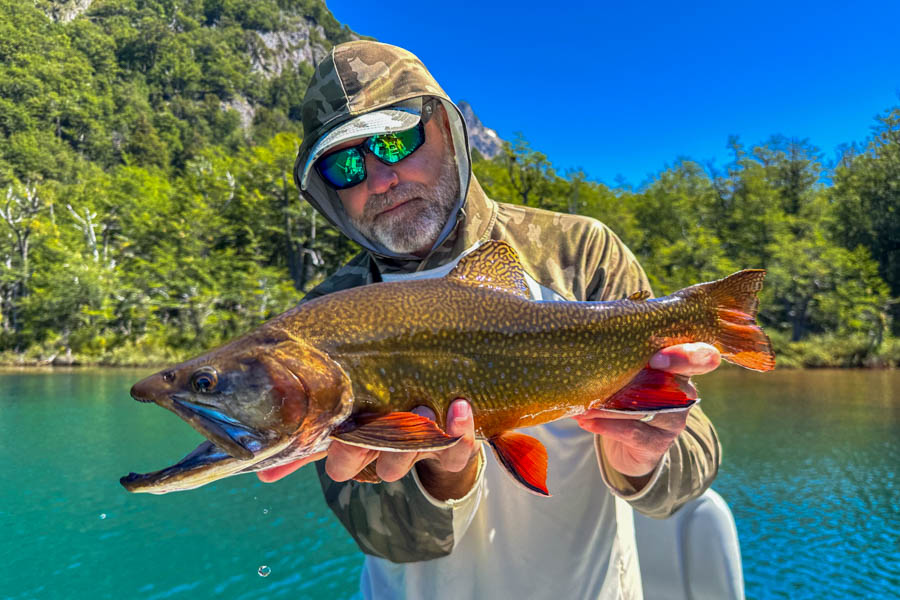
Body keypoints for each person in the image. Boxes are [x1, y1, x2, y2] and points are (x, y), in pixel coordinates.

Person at [258, 41, 723, 600]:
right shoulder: (320, 325)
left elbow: (692, 471)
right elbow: (386, 541)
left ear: (447, 132)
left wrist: (645, 459)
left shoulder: (579, 252)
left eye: (394, 140)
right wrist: (443, 474)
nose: (379, 178)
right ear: (328, 194)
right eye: (345, 165)